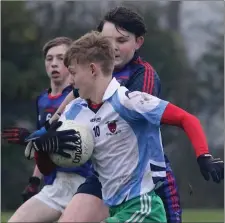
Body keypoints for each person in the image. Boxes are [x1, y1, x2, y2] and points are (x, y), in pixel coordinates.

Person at [27, 31, 224, 223]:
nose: (71, 81)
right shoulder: (74, 112)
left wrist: (203, 156)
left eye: (73, 73)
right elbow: (46, 166)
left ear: (93, 70)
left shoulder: (128, 101)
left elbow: (186, 119)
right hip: (115, 209)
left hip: (143, 208)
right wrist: (43, 150)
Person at [7, 37, 92, 223]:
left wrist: (33, 139)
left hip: (85, 183)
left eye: (61, 58)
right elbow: (42, 142)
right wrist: (34, 181)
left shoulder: (84, 98)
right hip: (55, 184)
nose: (54, 64)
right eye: (49, 58)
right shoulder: (42, 100)